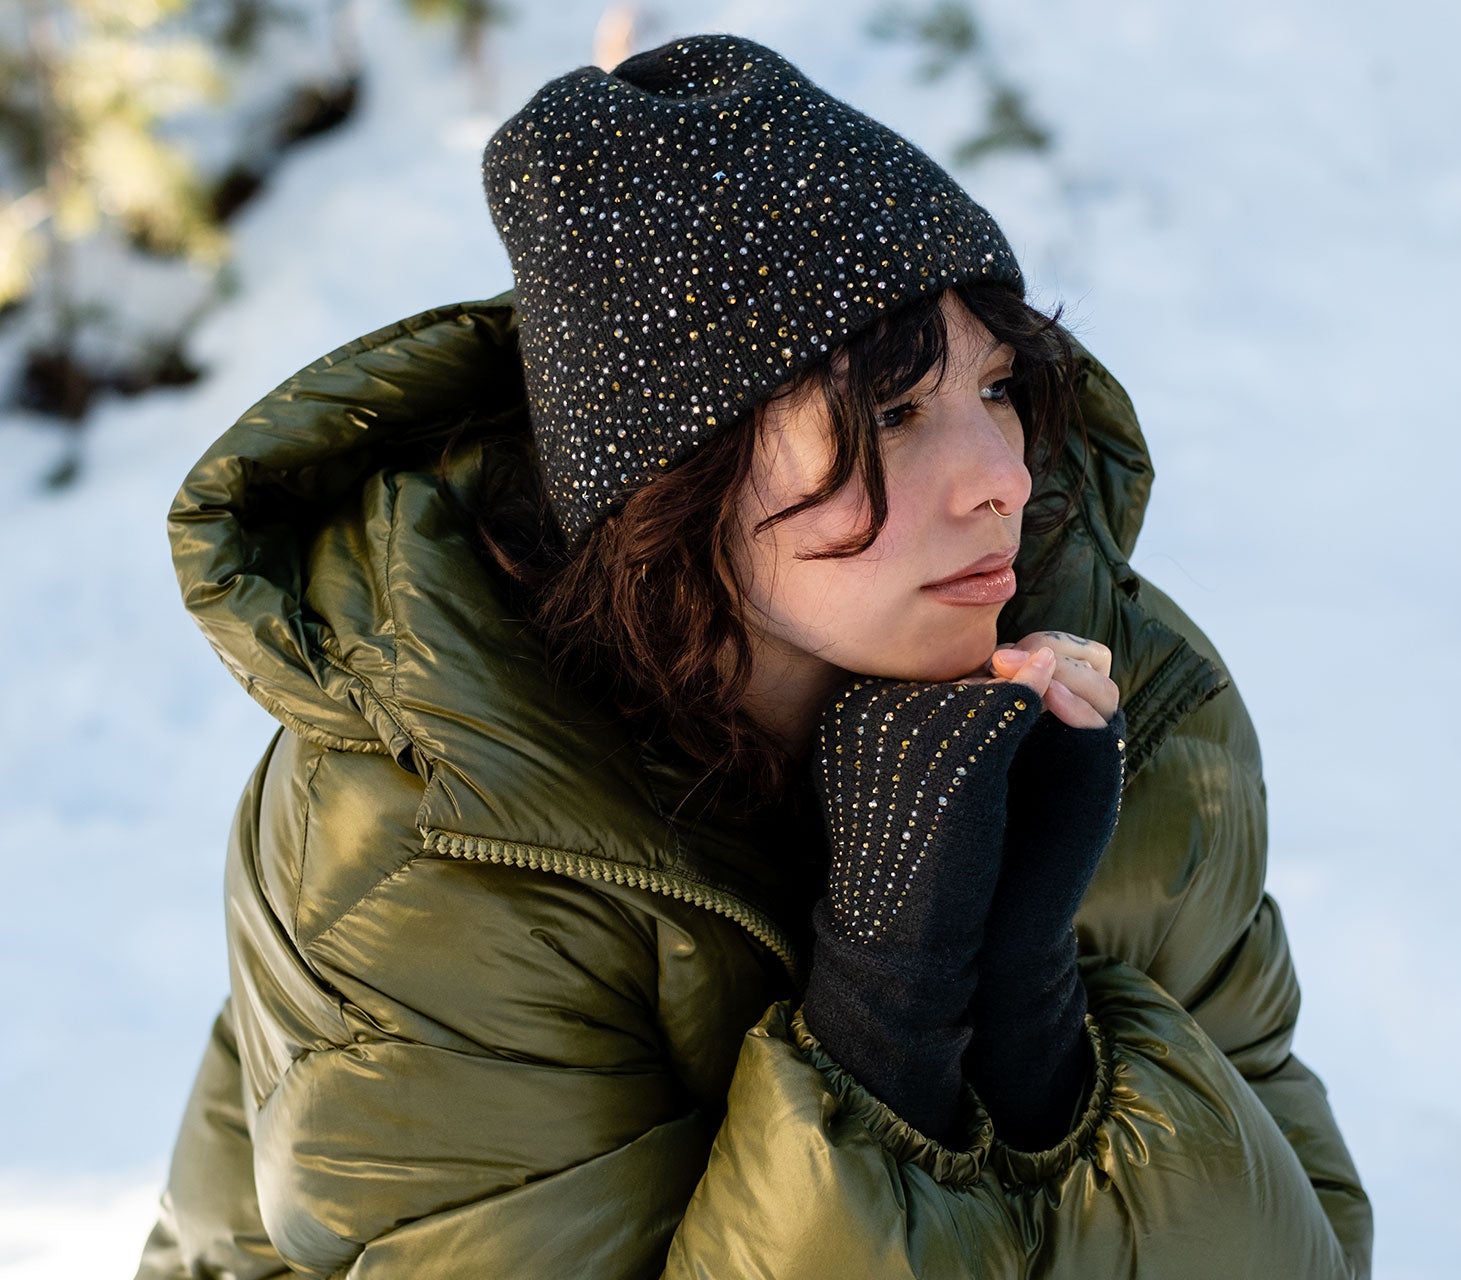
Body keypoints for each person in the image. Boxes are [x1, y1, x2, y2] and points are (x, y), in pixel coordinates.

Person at [135, 32, 1371, 1279]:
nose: (1002, 479)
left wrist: (1037, 1026)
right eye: (888, 415)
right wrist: (884, 1016)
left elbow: (1309, 1244)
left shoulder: (1130, 706)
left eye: (995, 389)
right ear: (677, 484)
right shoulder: (429, 853)